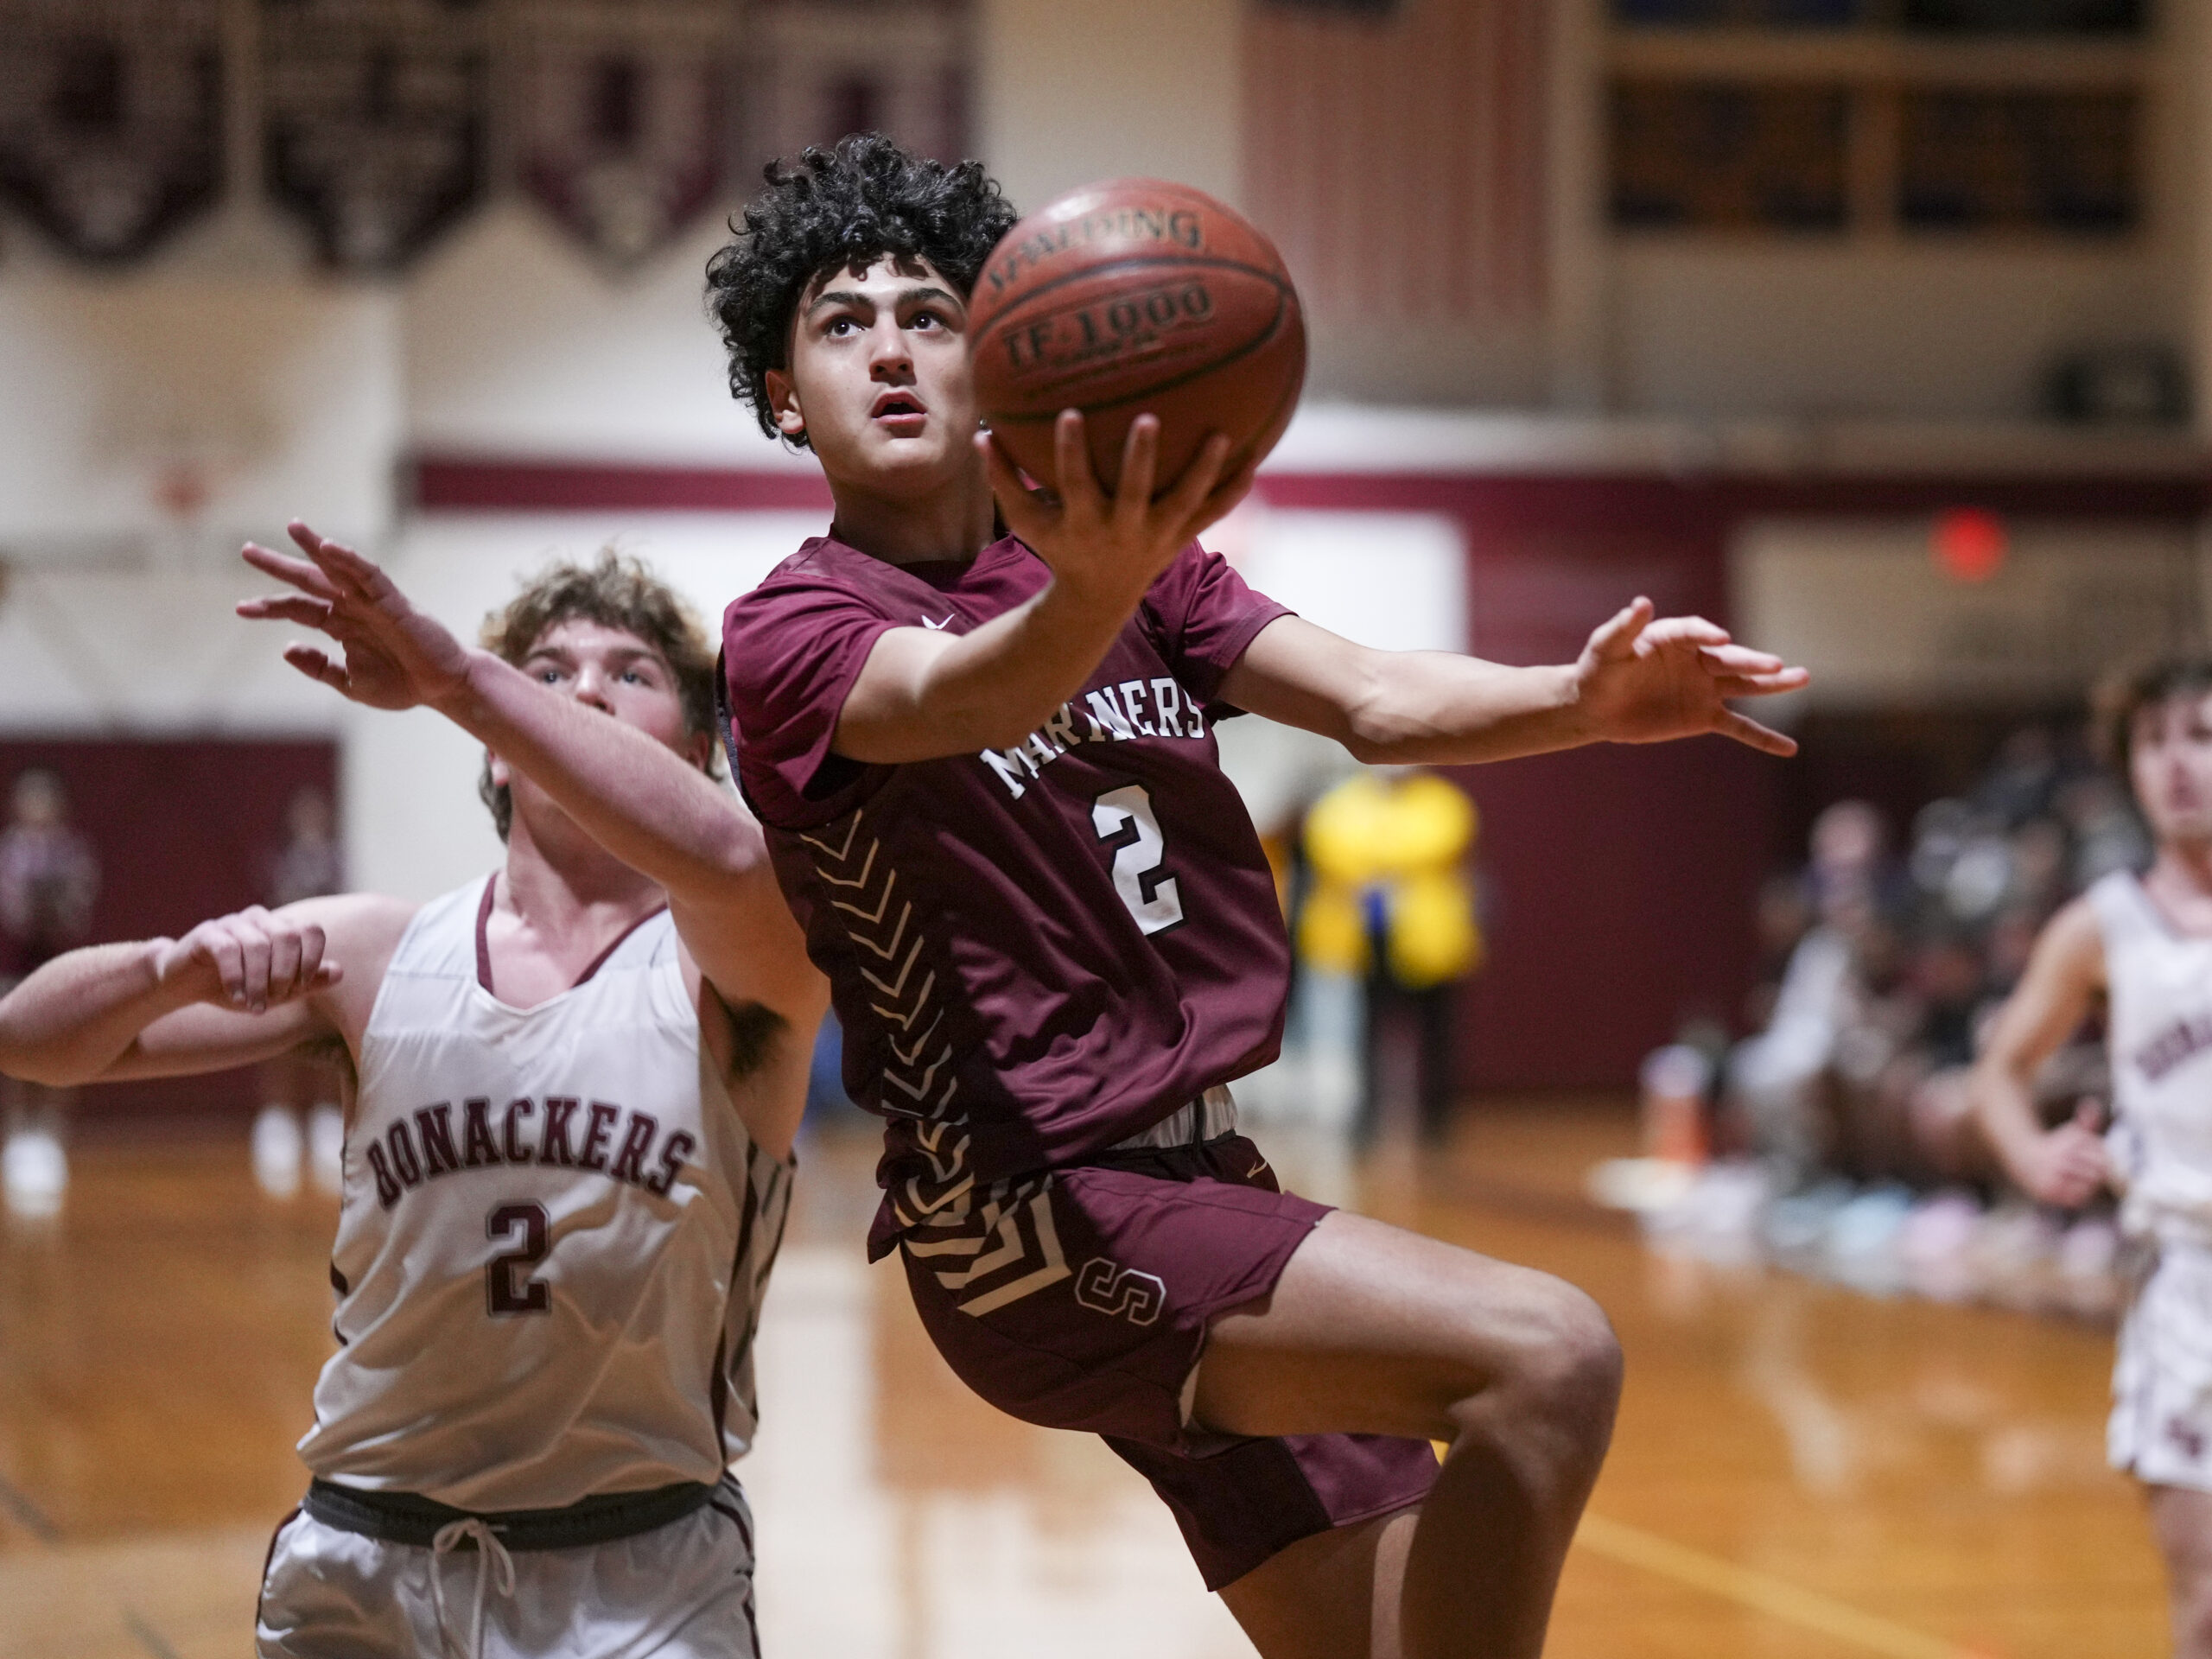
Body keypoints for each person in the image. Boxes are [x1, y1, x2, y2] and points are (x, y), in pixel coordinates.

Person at [246, 136, 1807, 1659]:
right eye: (842, 324)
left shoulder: (1139, 578)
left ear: (999, 359)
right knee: (1548, 1357)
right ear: (786, 393)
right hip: (1032, 1214)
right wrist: (1100, 578)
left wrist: (1585, 699)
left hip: (1210, 1184)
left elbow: (1382, 699)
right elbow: (976, 691)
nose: (894, 349)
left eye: (932, 313)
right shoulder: (792, 628)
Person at [0, 551, 824, 1658]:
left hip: (644, 1572)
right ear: (494, 758)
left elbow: (734, 862)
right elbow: (30, 1044)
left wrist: (462, 676)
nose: (580, 690)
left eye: (630, 674)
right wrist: (169, 966)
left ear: (696, 751)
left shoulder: (741, 959)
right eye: (547, 670)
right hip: (371, 1554)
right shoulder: (376, 951)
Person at [1973, 657, 2212, 1657]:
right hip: (2184, 1285)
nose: (2177, 765)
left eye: (2199, 735)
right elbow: (1997, 1071)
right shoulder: (2100, 924)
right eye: (2153, 742)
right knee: (2203, 1599)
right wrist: (2032, 1157)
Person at [0, 766, 100, 1215]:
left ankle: (52, 1133)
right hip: (15, 964)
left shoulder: (73, 853)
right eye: (30, 800)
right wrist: (29, 908)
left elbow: (82, 901)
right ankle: (17, 1133)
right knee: (15, 1049)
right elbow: (9, 908)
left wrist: (55, 908)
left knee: (64, 1046)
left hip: (59, 963)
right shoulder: (9, 851)